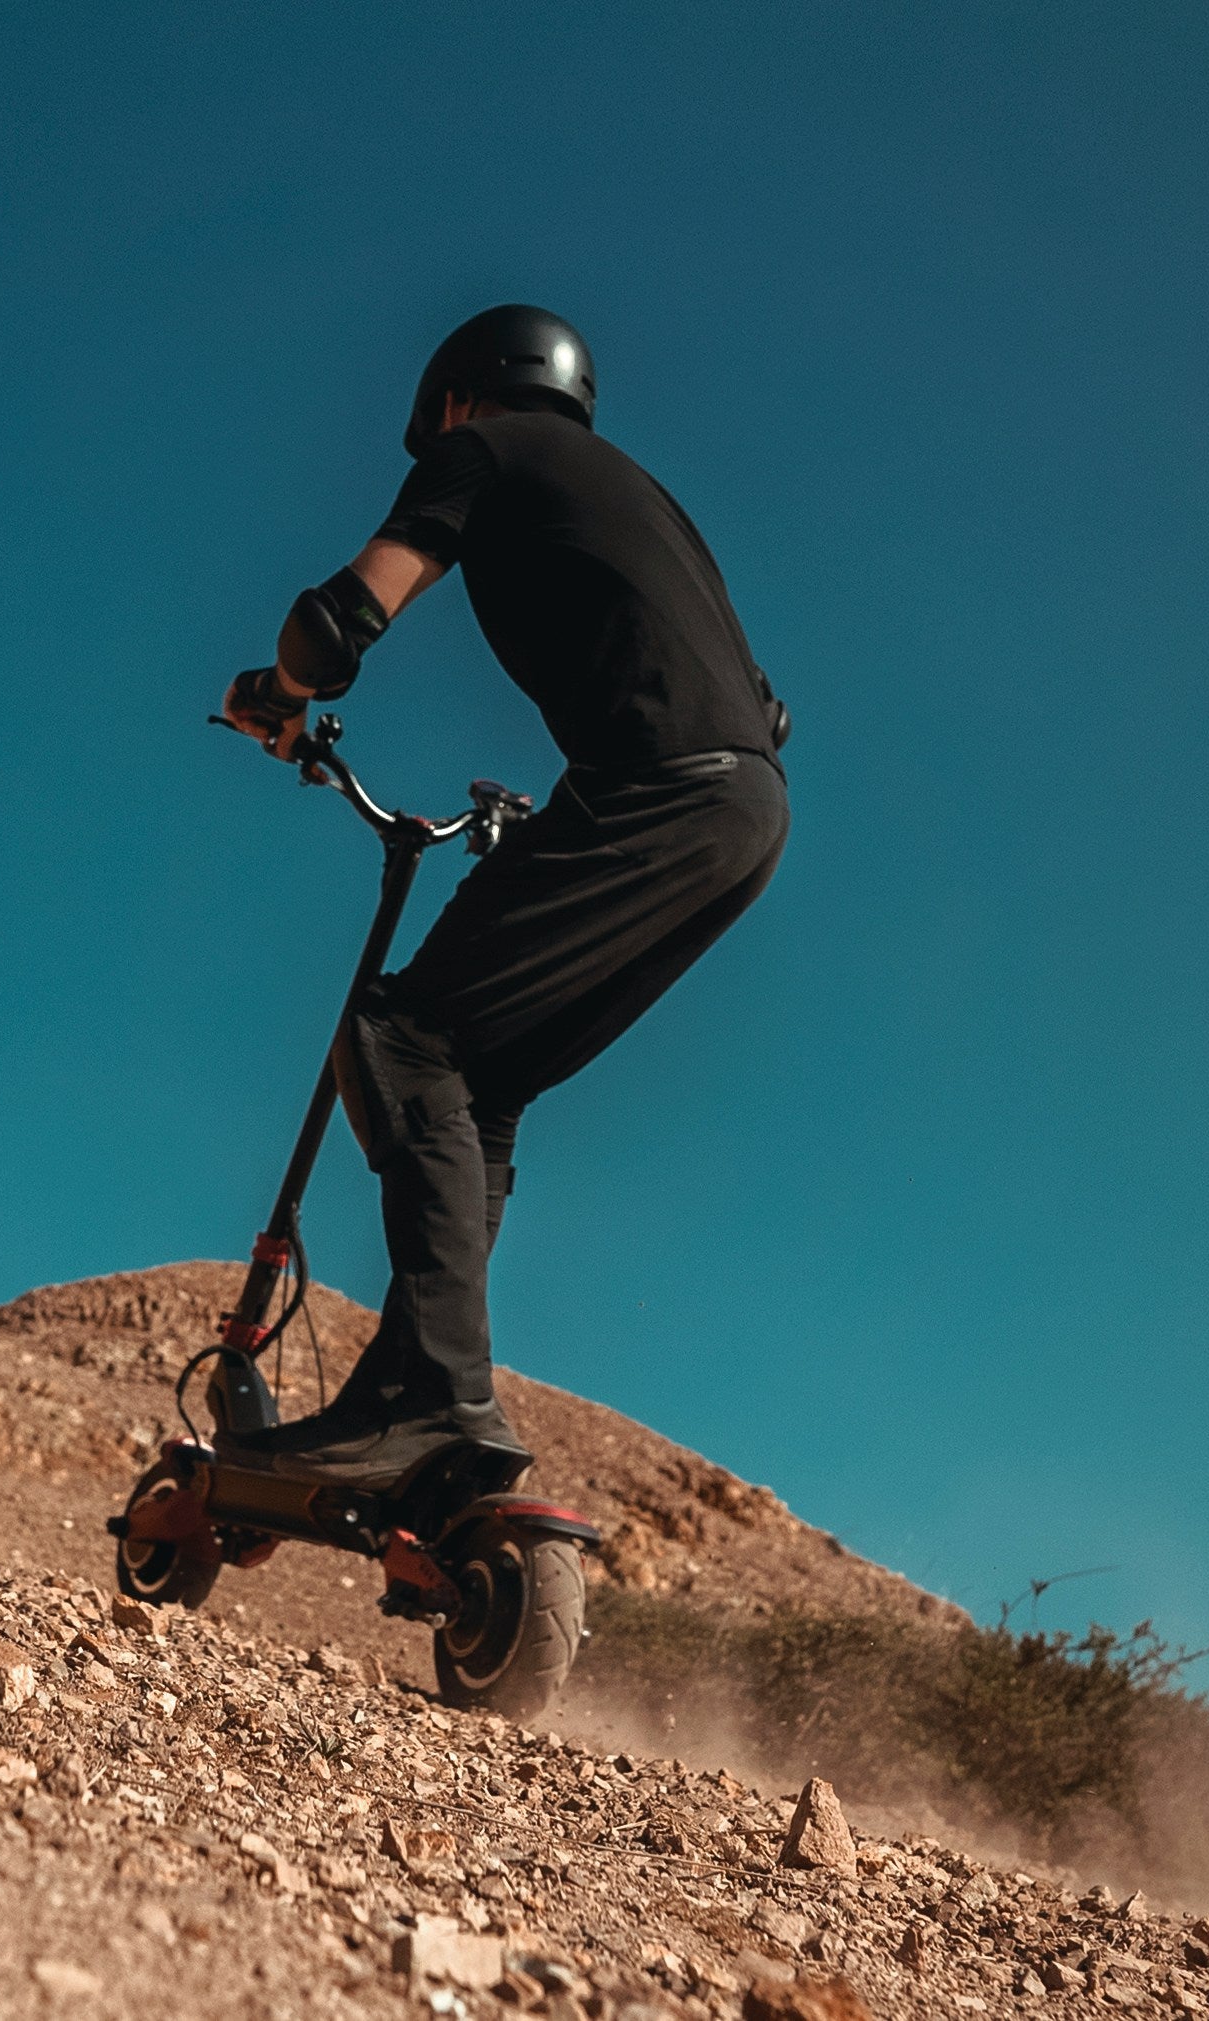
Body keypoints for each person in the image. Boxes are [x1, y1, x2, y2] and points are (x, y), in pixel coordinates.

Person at [216, 304, 791, 1487]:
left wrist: (276, 691)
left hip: (652, 794)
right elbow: (756, 702)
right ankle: (415, 1392)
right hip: (744, 810)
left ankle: (431, 1394)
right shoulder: (643, 497)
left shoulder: (483, 452)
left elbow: (343, 617)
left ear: (462, 397)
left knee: (397, 1035)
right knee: (483, 1078)